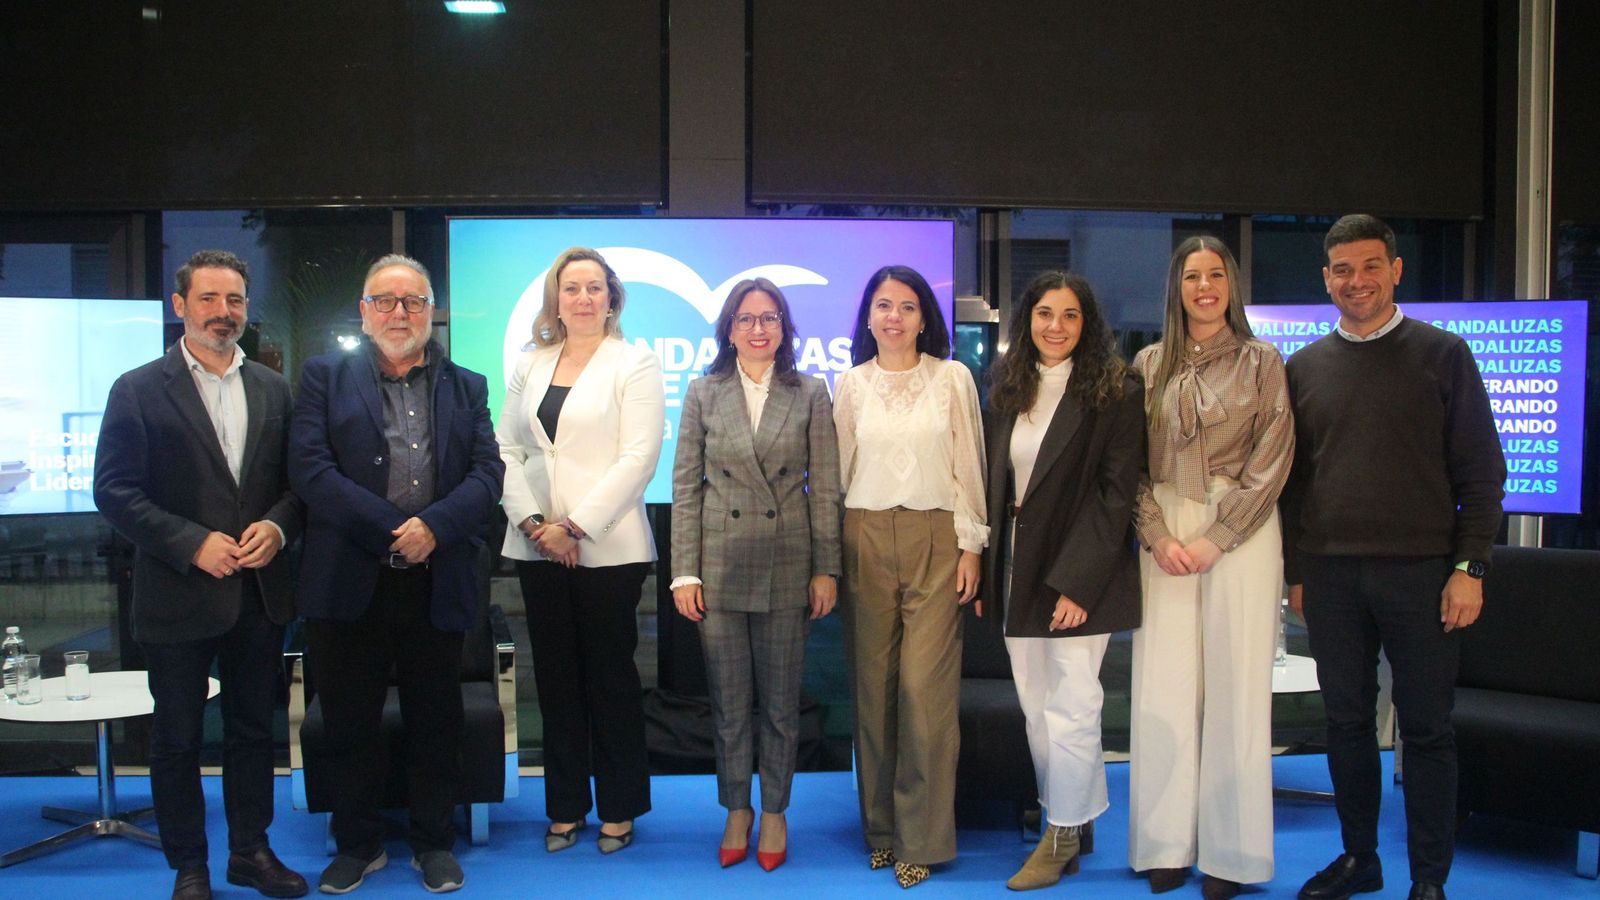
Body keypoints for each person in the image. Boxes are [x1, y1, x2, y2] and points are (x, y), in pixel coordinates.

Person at [1282, 215, 1505, 900]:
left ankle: (1429, 880)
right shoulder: (1303, 367)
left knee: (1427, 729)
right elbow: (1291, 484)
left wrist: (1470, 568)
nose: (1357, 281)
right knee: (1346, 723)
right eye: (1343, 270)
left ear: (1396, 270)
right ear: (1326, 279)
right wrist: (1294, 571)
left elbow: (1482, 473)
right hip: (1331, 576)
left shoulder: (1444, 355)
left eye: (1370, 266)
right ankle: (1360, 859)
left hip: (1424, 576)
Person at [94, 250, 308, 900]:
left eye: (235, 300)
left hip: (257, 593)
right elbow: (114, 491)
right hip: (178, 594)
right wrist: (191, 544)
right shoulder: (136, 388)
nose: (224, 313)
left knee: (251, 732)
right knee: (177, 738)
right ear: (180, 305)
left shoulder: (273, 387)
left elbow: (299, 487)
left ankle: (251, 852)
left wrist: (275, 529)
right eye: (210, 299)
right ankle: (188, 866)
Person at [289, 254, 503, 895]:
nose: (400, 313)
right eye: (385, 301)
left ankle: (433, 842)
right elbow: (309, 470)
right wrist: (392, 528)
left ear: (430, 312)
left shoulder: (468, 385)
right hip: (348, 581)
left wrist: (433, 526)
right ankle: (358, 844)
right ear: (364, 311)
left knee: (436, 719)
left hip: (438, 578)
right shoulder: (324, 377)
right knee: (349, 721)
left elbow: (488, 475)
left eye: (412, 301)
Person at [1127, 238, 1294, 900]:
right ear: (1177, 287)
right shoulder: (1145, 365)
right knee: (1161, 687)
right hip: (1166, 527)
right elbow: (1128, 463)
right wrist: (1157, 533)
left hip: (1242, 528)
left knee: (1237, 687)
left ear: (1231, 284)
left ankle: (1233, 853)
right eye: (1192, 276)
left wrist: (1218, 536)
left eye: (1215, 274)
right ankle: (1164, 845)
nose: (1204, 286)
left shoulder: (1263, 362)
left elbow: (1274, 459)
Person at [978, 270, 1144, 892]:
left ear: (1088, 323)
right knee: (1035, 706)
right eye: (1045, 313)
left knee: (1074, 704)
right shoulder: (1006, 386)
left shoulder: (1117, 389)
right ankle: (1072, 814)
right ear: (1028, 321)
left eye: (1070, 315)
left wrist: (1078, 584)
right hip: (1018, 566)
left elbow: (1115, 495)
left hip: (1080, 571)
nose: (1056, 326)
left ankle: (1061, 834)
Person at [669, 278, 842, 872]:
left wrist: (827, 569)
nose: (759, 328)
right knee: (729, 701)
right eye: (746, 319)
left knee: (779, 702)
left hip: (789, 564)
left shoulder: (812, 392)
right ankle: (735, 807)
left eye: (770, 318)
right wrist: (684, 572)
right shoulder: (702, 392)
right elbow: (686, 487)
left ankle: (774, 811)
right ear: (729, 329)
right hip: (717, 567)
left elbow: (826, 495)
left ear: (784, 328)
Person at [497, 247, 665, 855]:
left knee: (610, 679)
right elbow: (506, 450)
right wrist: (538, 522)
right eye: (572, 289)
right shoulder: (530, 362)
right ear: (556, 300)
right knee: (557, 679)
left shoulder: (635, 362)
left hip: (609, 549)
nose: (584, 298)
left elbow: (638, 458)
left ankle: (619, 806)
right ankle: (565, 806)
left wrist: (576, 526)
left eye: (595, 288)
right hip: (537, 544)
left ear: (612, 298)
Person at [833, 264, 986, 889]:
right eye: (883, 305)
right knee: (874, 692)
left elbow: (968, 464)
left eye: (907, 306)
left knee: (924, 694)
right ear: (867, 317)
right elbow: (839, 475)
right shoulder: (848, 385)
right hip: (865, 535)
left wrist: (972, 544)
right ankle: (881, 831)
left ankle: (922, 837)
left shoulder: (953, 379)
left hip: (936, 537)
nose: (894, 316)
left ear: (926, 317)